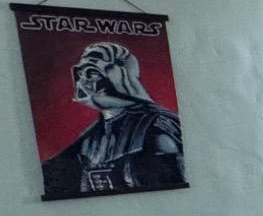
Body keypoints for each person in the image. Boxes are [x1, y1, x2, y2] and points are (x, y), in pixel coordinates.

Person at [41, 41, 184, 198]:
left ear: (118, 77)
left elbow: (172, 191)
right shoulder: (91, 137)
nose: (83, 82)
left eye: (92, 73)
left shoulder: (157, 126)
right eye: (80, 74)